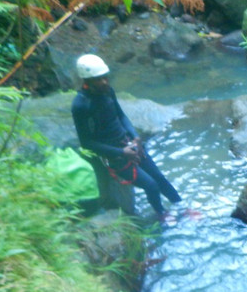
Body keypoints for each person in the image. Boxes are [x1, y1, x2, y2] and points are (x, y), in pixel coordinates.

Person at [71, 53, 181, 219]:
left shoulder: (108, 92)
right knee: (150, 185)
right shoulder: (81, 105)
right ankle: (161, 214)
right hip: (113, 155)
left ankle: (181, 207)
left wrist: (135, 136)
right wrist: (122, 153)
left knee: (159, 177)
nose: (104, 82)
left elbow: (121, 116)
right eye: (98, 80)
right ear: (86, 81)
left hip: (128, 143)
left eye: (105, 77)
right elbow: (87, 143)